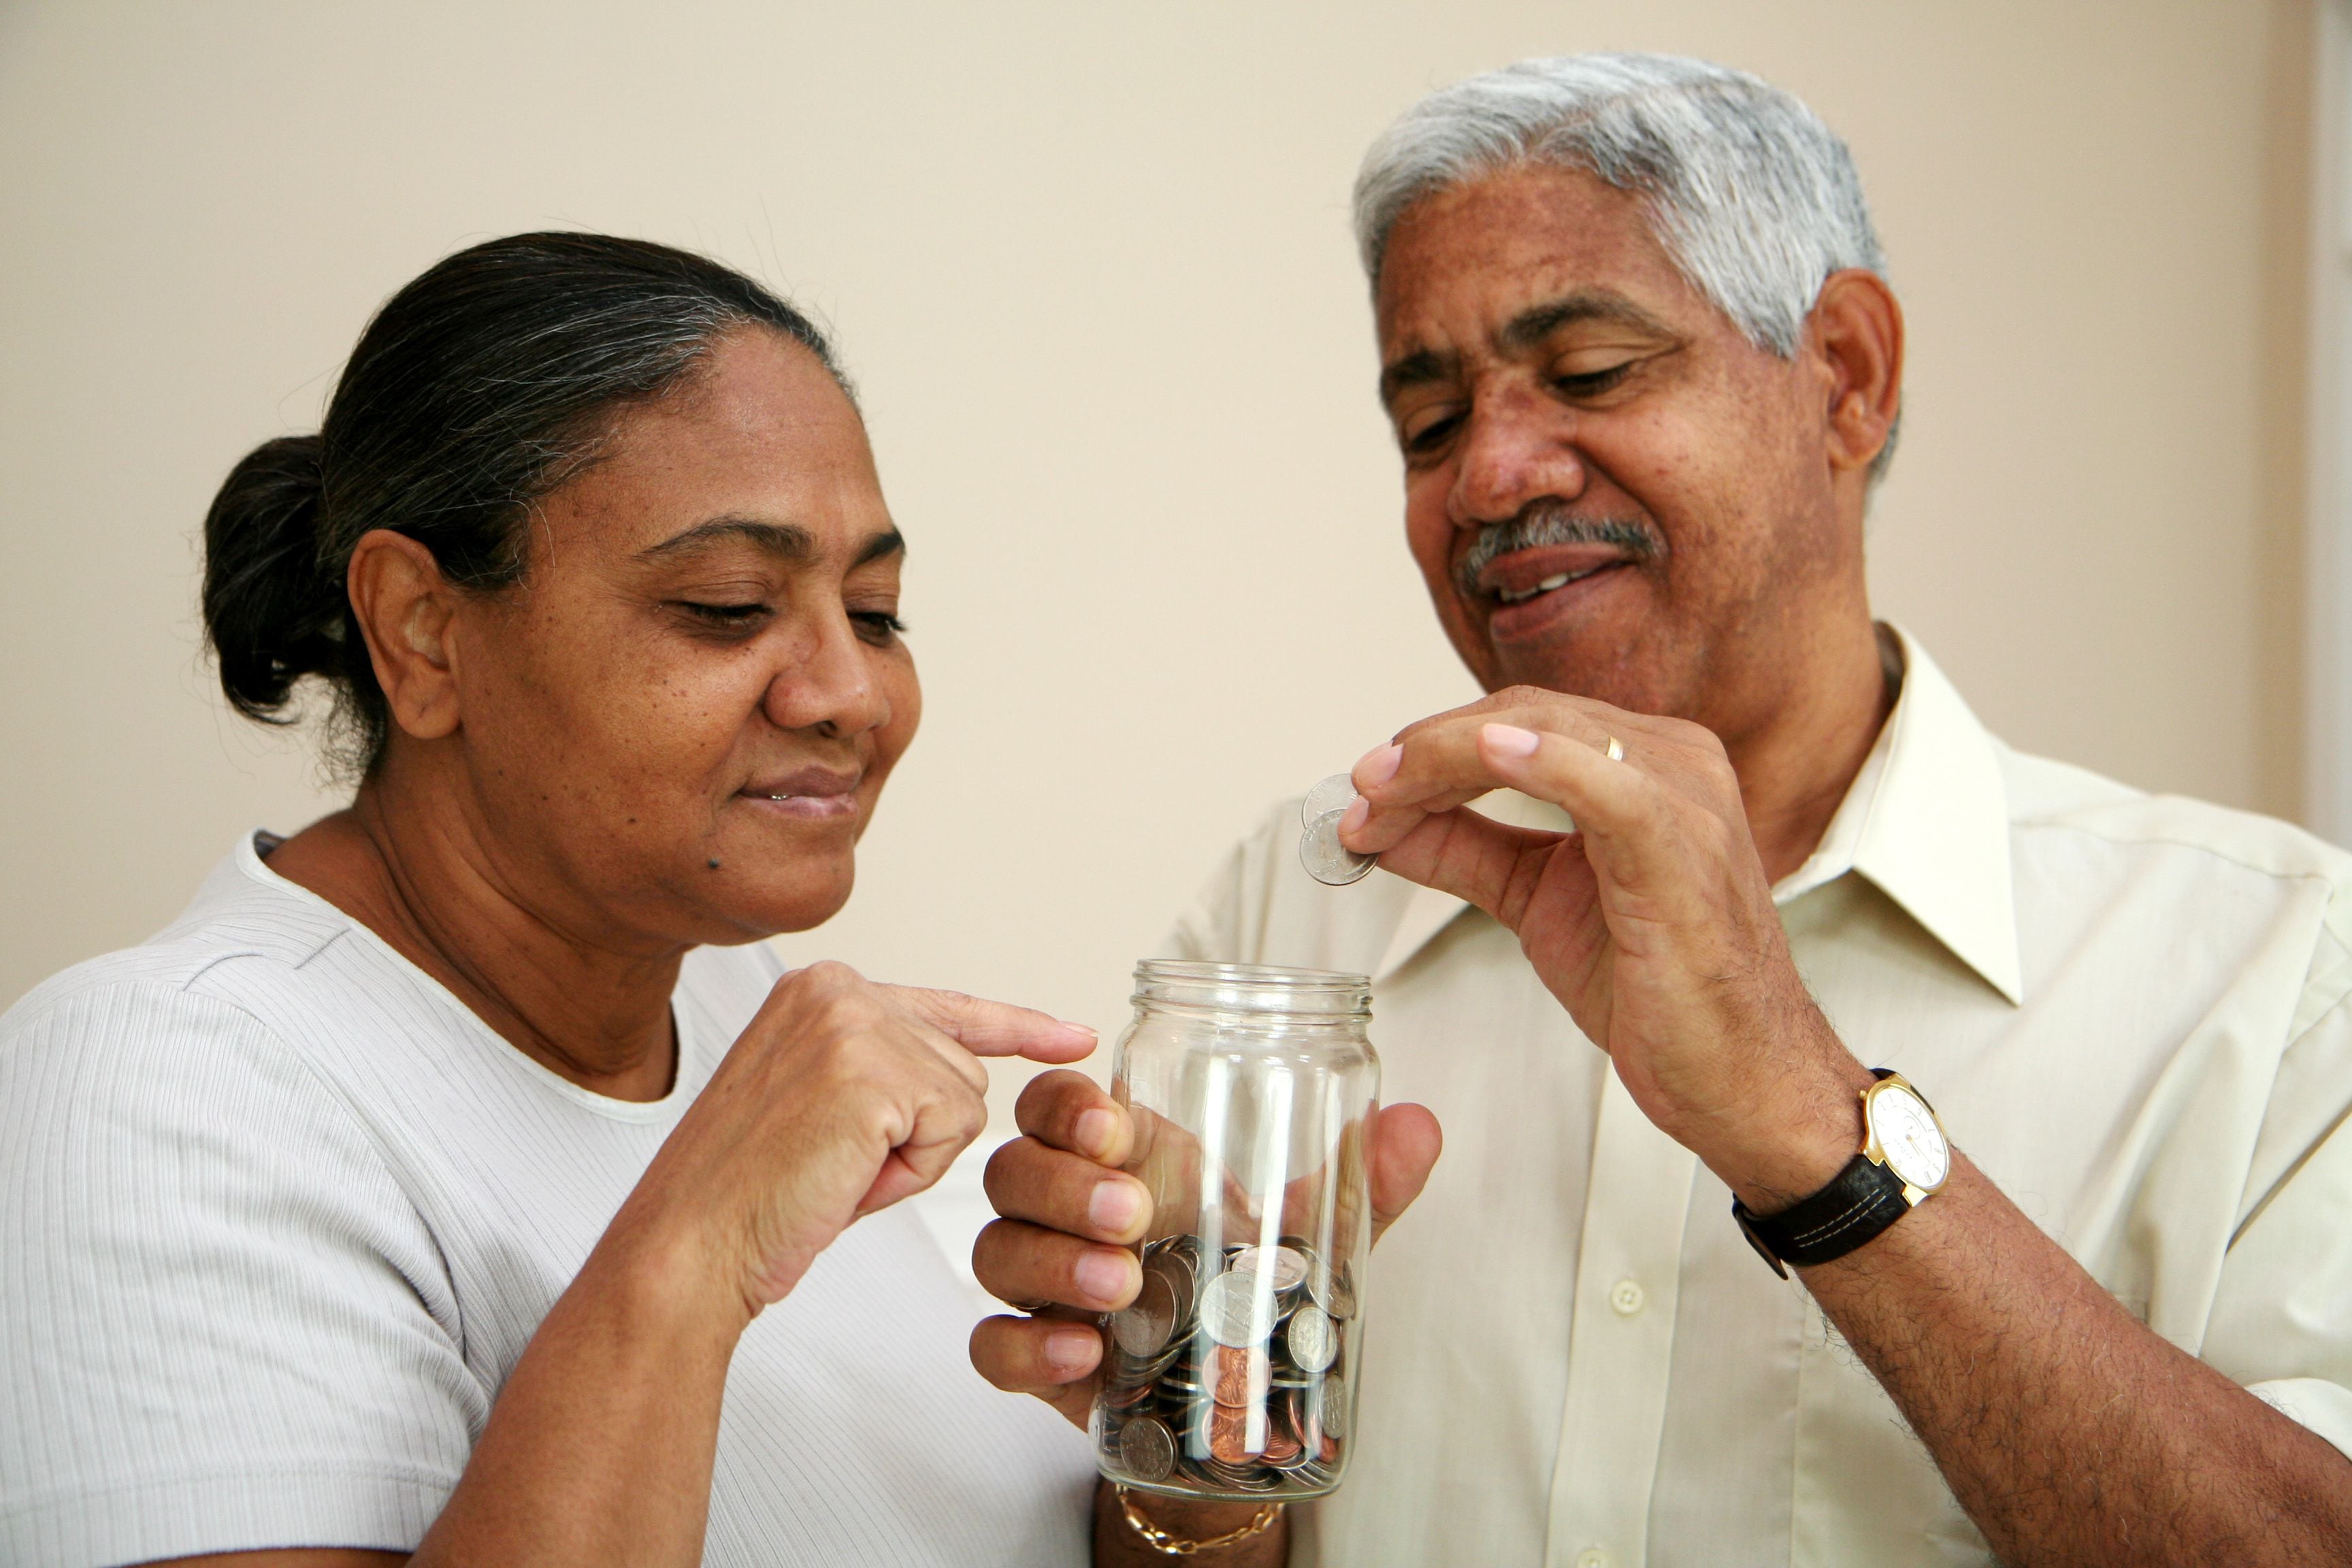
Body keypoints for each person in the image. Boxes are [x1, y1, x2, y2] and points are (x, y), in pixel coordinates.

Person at [969, 53, 2352, 1566]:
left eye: (1590, 372)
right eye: (1429, 424)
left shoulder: (2277, 967)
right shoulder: (1298, 912)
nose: (1489, 476)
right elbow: (1176, 1534)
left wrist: (1818, 1135)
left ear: (1848, 374)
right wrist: (1187, 1480)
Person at [0, 231, 1121, 1567]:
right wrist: (701, 1246)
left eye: (875, 611)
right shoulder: (166, 1091)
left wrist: (1202, 1415)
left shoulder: (728, 995)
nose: (850, 694)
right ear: (422, 629)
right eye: (727, 603)